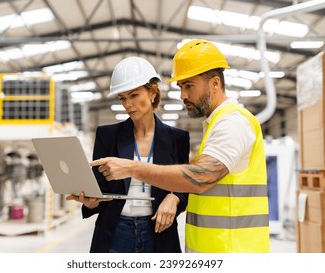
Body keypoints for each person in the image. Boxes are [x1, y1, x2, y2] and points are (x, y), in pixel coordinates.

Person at [90, 39, 270, 253]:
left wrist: (133, 168)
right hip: (214, 246)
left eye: (189, 86)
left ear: (214, 83)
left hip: (231, 248)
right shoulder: (216, 124)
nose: (183, 95)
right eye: (181, 87)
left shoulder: (232, 123)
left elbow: (199, 177)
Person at [66, 56, 190, 253]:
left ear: (152, 92)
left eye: (134, 95)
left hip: (158, 231)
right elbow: (99, 187)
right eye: (122, 98)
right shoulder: (107, 135)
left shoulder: (177, 138)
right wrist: (91, 201)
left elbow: (185, 186)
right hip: (115, 232)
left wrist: (174, 198)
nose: (127, 104)